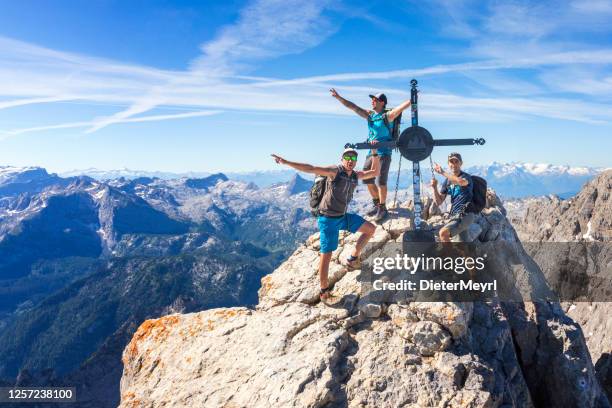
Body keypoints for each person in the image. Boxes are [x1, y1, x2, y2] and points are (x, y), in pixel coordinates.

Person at [271, 147, 379, 301]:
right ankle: (324, 289)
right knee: (326, 254)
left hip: (342, 217)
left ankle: (352, 259)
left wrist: (374, 152)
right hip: (328, 219)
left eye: (353, 158)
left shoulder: (355, 175)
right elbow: (311, 168)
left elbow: (374, 172)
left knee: (370, 229)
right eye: (347, 157)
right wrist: (286, 162)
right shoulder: (334, 171)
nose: (350, 161)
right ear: (342, 159)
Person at [330, 88, 412, 222]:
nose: (372, 102)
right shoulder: (370, 115)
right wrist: (339, 98)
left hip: (384, 152)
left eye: (375, 100)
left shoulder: (388, 116)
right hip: (371, 152)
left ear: (382, 103)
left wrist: (412, 99)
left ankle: (383, 208)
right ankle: (377, 203)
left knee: (381, 181)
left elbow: (400, 108)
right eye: (372, 100)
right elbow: (353, 107)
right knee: (367, 179)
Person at [430, 152, 475, 242]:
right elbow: (439, 202)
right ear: (448, 164)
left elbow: (461, 182)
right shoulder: (447, 181)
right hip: (455, 216)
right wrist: (434, 188)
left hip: (465, 214)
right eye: (451, 162)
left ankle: (450, 255)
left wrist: (442, 172)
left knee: (443, 233)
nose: (454, 164)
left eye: (456, 161)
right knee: (463, 248)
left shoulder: (466, 177)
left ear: (461, 163)